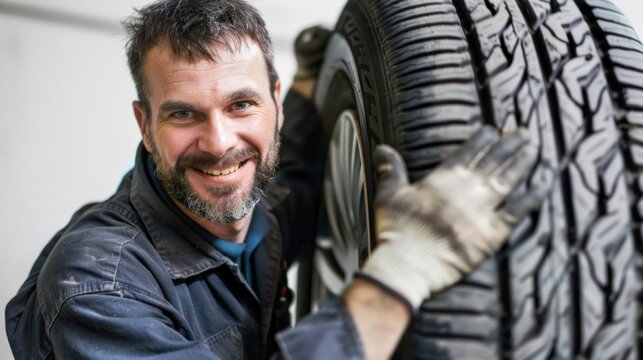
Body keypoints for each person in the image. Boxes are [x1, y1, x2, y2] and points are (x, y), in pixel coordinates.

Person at [5, 1, 547, 359]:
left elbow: (299, 173)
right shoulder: (96, 285)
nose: (219, 142)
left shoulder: (257, 216)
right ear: (145, 125)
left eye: (241, 104)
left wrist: (320, 85)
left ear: (276, 105)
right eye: (183, 114)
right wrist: (402, 272)